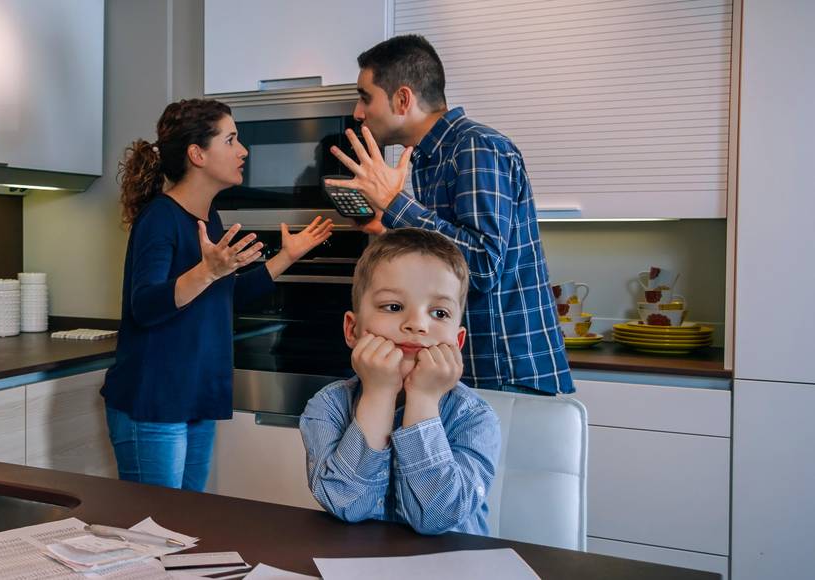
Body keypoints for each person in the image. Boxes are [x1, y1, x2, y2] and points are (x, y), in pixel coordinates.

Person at [101, 98, 333, 491]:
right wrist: (207, 271)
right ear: (198, 154)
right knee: (155, 523)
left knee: (188, 520)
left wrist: (286, 257)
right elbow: (145, 306)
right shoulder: (160, 218)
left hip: (195, 397)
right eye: (230, 140)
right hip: (156, 401)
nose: (243, 151)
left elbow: (223, 296)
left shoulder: (210, 219)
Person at [325, 35, 573, 395]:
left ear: (403, 99)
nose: (358, 112)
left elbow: (482, 264)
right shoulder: (431, 157)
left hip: (505, 369)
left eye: (365, 97)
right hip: (473, 367)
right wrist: (386, 226)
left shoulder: (475, 146)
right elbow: (448, 258)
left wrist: (395, 203)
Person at [300, 228, 500, 535]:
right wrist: (378, 394)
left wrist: (423, 399)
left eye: (439, 312)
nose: (417, 324)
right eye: (393, 307)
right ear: (352, 330)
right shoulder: (328, 406)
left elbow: (438, 517)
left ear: (457, 341)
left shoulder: (474, 417)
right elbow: (345, 504)